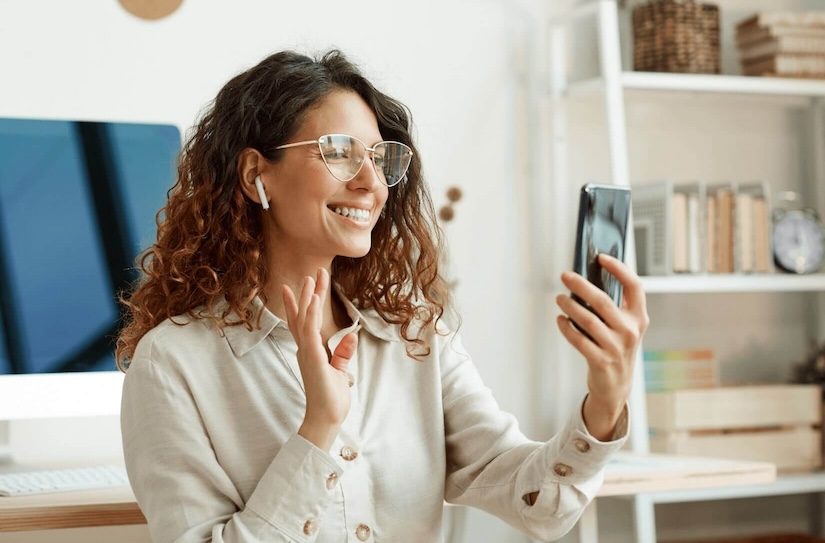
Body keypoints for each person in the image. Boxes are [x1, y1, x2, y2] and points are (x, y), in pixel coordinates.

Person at [117, 49, 649, 543]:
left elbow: (539, 507)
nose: (372, 182)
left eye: (380, 158)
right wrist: (318, 427)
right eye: (340, 153)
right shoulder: (172, 364)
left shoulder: (414, 334)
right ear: (258, 174)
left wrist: (604, 406)